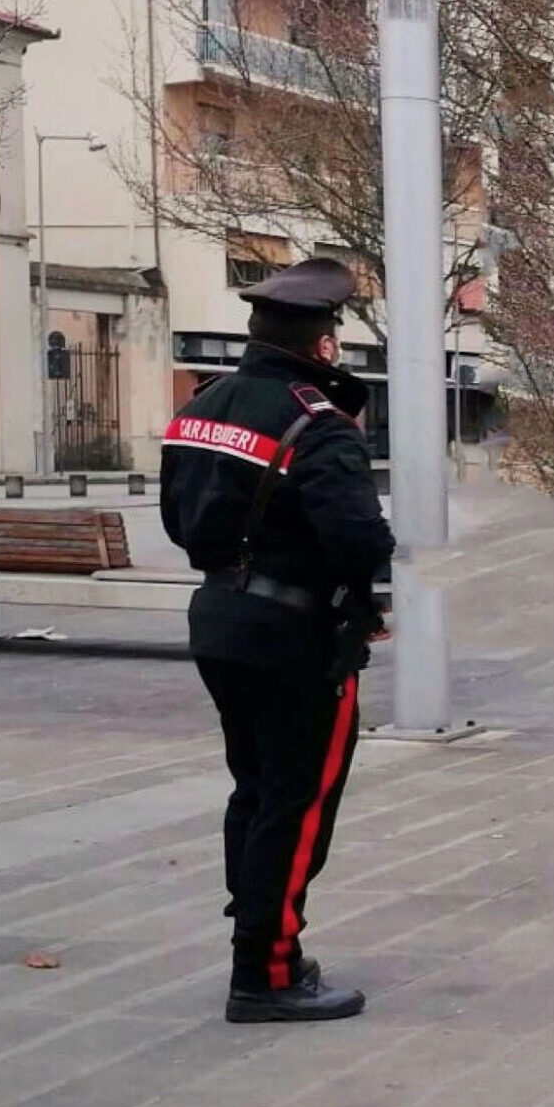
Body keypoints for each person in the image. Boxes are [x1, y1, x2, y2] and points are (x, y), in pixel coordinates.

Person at [161, 258, 395, 1024]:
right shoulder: (316, 423)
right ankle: (265, 971)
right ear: (324, 343)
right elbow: (357, 537)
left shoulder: (204, 405)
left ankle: (263, 941)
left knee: (255, 790)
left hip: (220, 620)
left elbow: (174, 517)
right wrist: (365, 602)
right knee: (296, 804)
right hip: (296, 636)